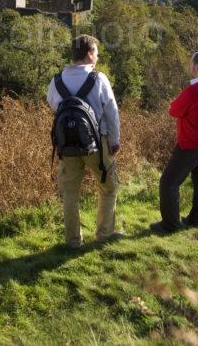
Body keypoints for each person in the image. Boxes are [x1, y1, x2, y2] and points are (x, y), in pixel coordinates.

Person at [47, 34, 122, 249]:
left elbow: (53, 105)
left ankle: (73, 241)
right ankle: (105, 234)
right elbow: (112, 112)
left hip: (66, 145)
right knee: (108, 187)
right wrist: (115, 141)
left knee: (70, 193)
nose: (97, 57)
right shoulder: (99, 79)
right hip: (98, 143)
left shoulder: (57, 80)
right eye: (96, 53)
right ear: (89, 54)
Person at [150, 51, 198, 234]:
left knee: (168, 183)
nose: (190, 66)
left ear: (196, 66)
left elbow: (173, 110)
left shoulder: (194, 90)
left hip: (191, 144)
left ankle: (170, 225)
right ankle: (196, 220)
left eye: (191, 63)